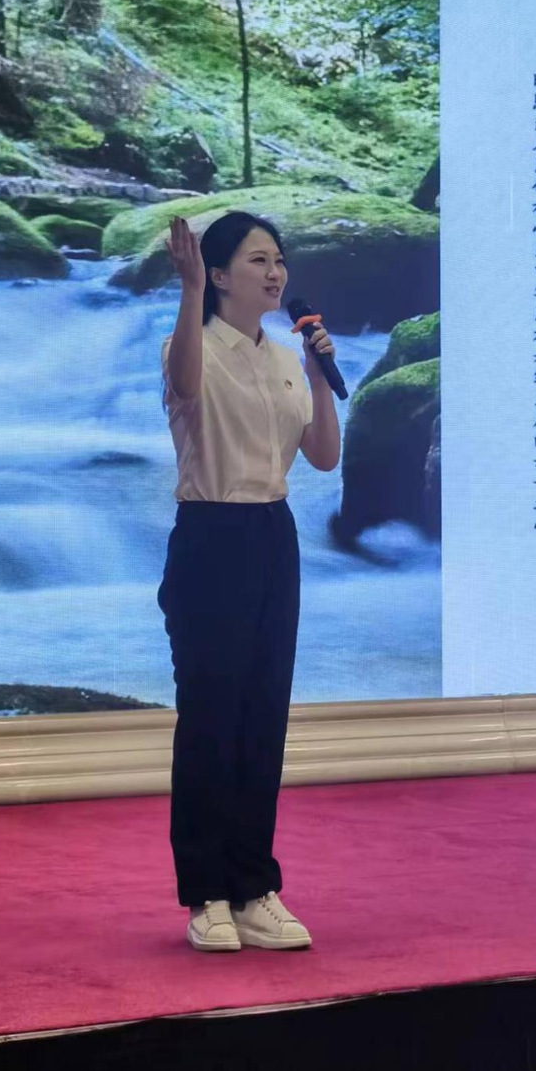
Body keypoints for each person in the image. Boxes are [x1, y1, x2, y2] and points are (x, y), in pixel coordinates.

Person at [157, 210, 341, 953]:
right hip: (211, 536)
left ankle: (254, 888)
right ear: (220, 274)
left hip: (273, 536)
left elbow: (323, 456)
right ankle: (206, 893)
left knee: (263, 714)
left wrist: (321, 375)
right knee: (211, 716)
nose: (276, 272)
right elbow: (184, 385)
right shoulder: (190, 344)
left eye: (280, 260)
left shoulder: (286, 358)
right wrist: (187, 290)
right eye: (259, 260)